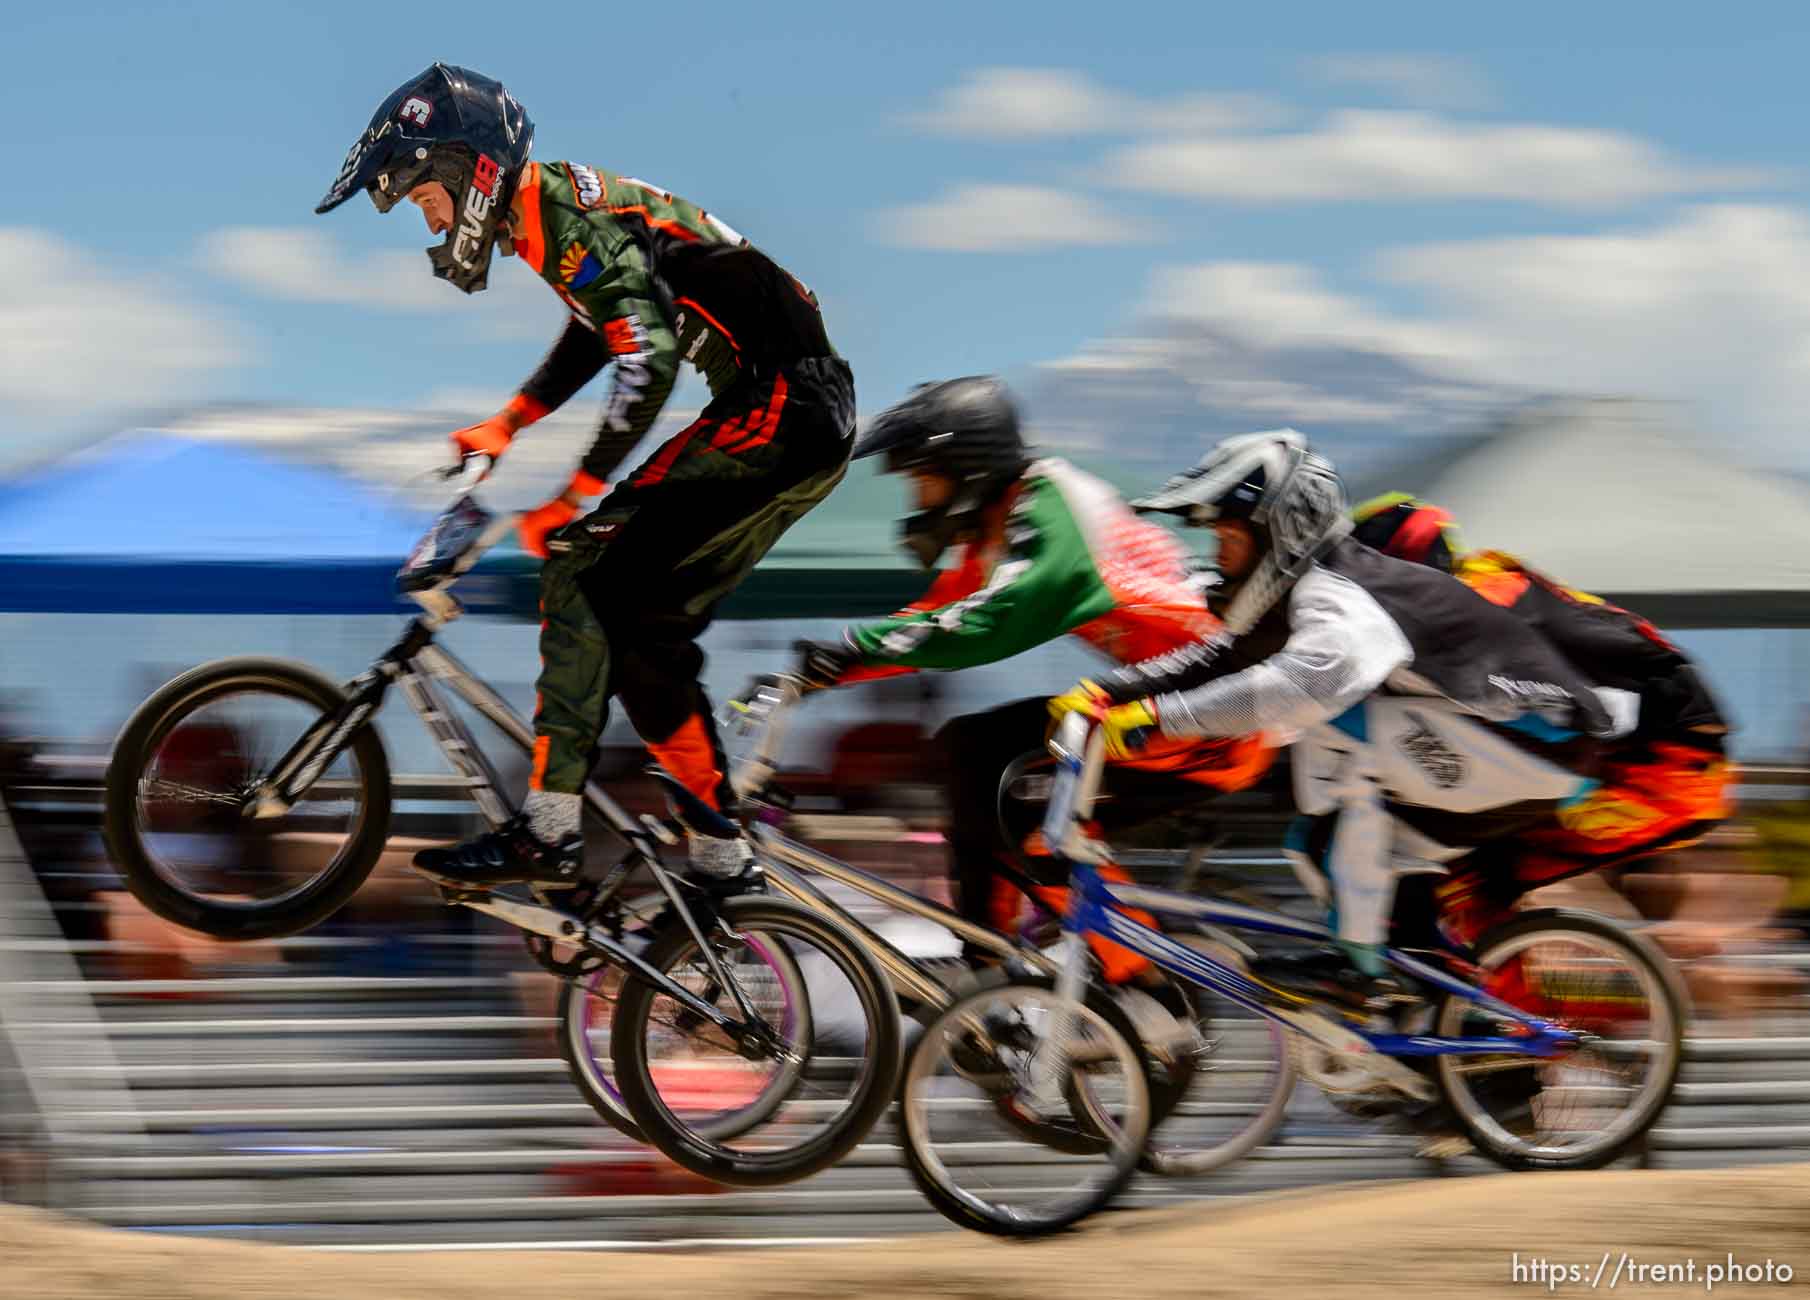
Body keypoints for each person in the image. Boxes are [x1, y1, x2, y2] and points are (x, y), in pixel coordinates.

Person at [315, 64, 855, 888]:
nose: (427, 223)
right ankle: (719, 856)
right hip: (787, 408)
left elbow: (648, 360)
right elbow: (602, 331)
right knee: (642, 630)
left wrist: (572, 495)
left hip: (781, 403)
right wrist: (511, 420)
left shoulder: (569, 218)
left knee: (576, 563)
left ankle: (551, 830)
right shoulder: (553, 214)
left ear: (469, 168)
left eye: (427, 200)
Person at [1050, 431, 1625, 1005]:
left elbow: (1301, 688)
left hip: (1540, 741)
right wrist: (1106, 692)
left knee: (1329, 722)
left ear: (1282, 529)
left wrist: (1162, 719)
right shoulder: (1299, 596)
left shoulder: (1340, 596)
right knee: (1319, 844)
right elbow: (1217, 660)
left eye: (1228, 538)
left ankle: (1359, 969)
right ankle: (1433, 1002)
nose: (1217, 558)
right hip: (1508, 751)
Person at [790, 378, 1271, 975]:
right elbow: (936, 621)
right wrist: (818, 674)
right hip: (1157, 708)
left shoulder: (1049, 508)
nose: (918, 498)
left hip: (1214, 716)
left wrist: (851, 648)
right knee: (969, 751)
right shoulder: (1004, 521)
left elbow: (995, 621)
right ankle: (988, 961)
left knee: (1016, 798)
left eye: (924, 478)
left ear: (967, 466)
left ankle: (1135, 976)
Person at [1349, 493, 1732, 946]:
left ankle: (1511, 1012)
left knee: (1463, 882)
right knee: (1471, 867)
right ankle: (1510, 997)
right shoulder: (1492, 581)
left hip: (1663, 766)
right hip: (1663, 753)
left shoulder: (1480, 596)